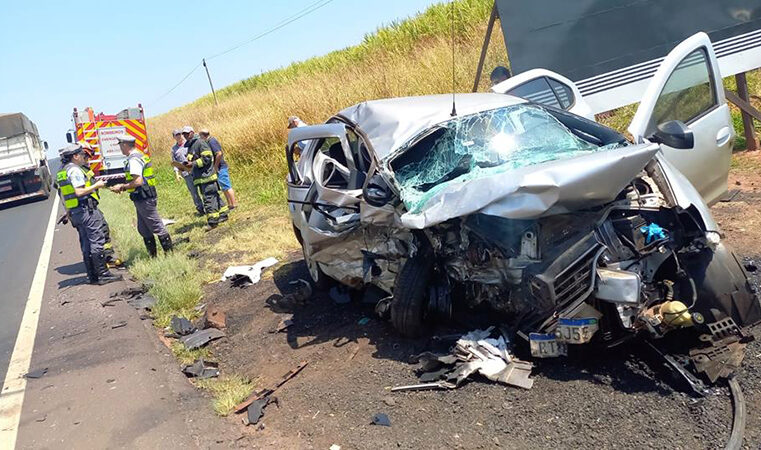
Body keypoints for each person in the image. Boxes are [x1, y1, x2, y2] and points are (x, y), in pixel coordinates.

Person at [56, 144, 122, 285]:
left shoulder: (62, 172)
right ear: (75, 156)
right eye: (81, 154)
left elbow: (64, 195)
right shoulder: (75, 170)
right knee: (96, 241)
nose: (83, 157)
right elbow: (79, 192)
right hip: (86, 210)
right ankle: (103, 274)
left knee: (85, 244)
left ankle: (92, 276)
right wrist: (96, 186)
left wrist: (68, 212)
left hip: (75, 212)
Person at [110, 136, 173, 257]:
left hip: (144, 196)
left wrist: (122, 187)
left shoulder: (134, 160)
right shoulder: (138, 156)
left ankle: (170, 255)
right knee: (143, 228)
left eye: (120, 145)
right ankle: (153, 256)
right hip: (141, 197)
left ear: (124, 145)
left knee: (156, 225)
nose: (120, 148)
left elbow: (138, 181)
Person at [79, 142, 118, 266]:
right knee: (97, 234)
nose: (88, 160)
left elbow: (93, 184)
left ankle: (103, 259)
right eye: (86, 157)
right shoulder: (77, 171)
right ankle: (102, 262)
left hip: (89, 206)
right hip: (86, 208)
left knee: (99, 232)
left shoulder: (83, 169)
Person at [182, 126, 228, 230]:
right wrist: (186, 165)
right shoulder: (191, 146)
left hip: (207, 177)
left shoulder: (200, 142)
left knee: (208, 199)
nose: (185, 135)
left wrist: (193, 164)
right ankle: (223, 213)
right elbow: (193, 159)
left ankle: (212, 222)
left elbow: (207, 158)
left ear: (192, 132)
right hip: (201, 178)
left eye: (187, 133)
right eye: (183, 134)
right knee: (214, 196)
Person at [199, 129, 237, 209]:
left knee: (226, 186)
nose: (200, 137)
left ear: (203, 135)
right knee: (223, 187)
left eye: (200, 135)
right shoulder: (208, 141)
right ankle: (230, 204)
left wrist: (216, 166)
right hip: (219, 167)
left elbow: (219, 153)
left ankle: (234, 204)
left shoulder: (212, 141)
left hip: (221, 167)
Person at [169, 129, 205, 216]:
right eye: (176, 135)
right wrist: (177, 174)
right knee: (193, 191)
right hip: (186, 173)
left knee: (202, 188)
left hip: (195, 170)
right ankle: (200, 208)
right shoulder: (174, 149)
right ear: (174, 137)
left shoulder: (189, 143)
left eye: (179, 134)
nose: (179, 136)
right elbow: (175, 162)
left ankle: (208, 205)